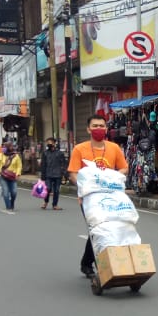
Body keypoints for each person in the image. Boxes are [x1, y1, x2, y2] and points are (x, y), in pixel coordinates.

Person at [68, 115, 128, 277]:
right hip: (88, 199)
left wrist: (113, 177)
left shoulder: (114, 148)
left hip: (111, 196)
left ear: (106, 129)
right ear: (88, 129)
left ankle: (87, 263)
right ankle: (102, 267)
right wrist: (85, 185)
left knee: (107, 229)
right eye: (95, 126)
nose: (98, 129)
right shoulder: (79, 149)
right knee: (98, 229)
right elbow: (73, 173)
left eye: (101, 126)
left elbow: (124, 168)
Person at [0, 142, 22, 212]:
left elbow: (19, 166)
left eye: (5, 147)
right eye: (3, 147)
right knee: (5, 192)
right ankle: (8, 207)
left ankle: (12, 203)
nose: (3, 148)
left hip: (13, 177)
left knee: (14, 192)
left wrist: (18, 174)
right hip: (3, 176)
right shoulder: (0, 155)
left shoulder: (16, 156)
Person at [40, 137, 67, 210]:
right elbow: (43, 165)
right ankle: (45, 202)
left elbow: (64, 164)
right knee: (48, 188)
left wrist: (64, 174)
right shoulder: (45, 153)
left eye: (50, 142)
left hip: (58, 174)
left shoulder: (60, 153)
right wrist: (42, 176)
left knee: (56, 190)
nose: (49, 144)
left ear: (54, 143)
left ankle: (55, 205)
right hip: (48, 174)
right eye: (48, 142)